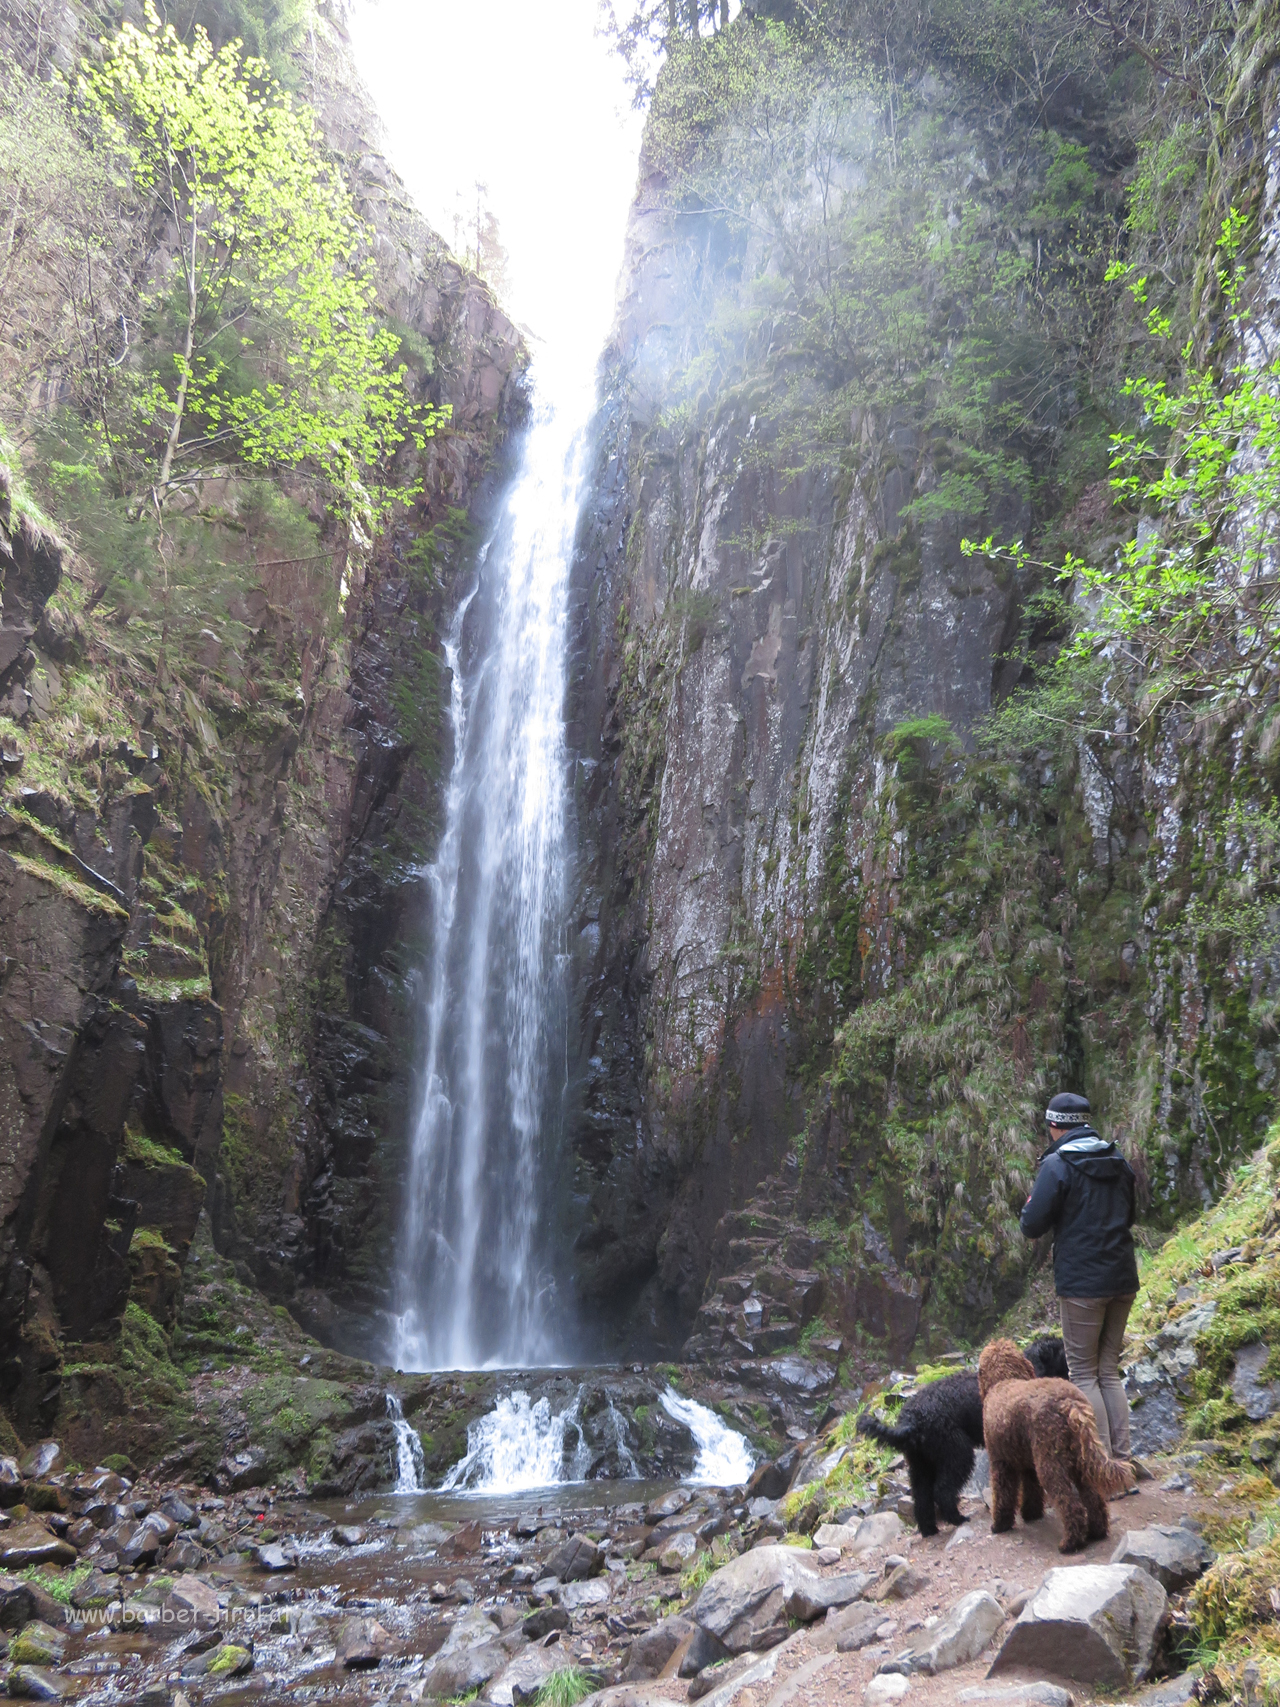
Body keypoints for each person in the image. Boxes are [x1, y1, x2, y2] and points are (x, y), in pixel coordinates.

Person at [1019, 1091, 1139, 1469]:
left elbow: (1032, 1225)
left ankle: (1102, 1466)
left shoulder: (1056, 1166)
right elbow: (1130, 1215)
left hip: (1083, 1285)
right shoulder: (1117, 1159)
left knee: (1084, 1373)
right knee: (1108, 1370)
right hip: (1122, 1277)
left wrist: (1030, 1206)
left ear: (1054, 1126)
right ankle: (1124, 1460)